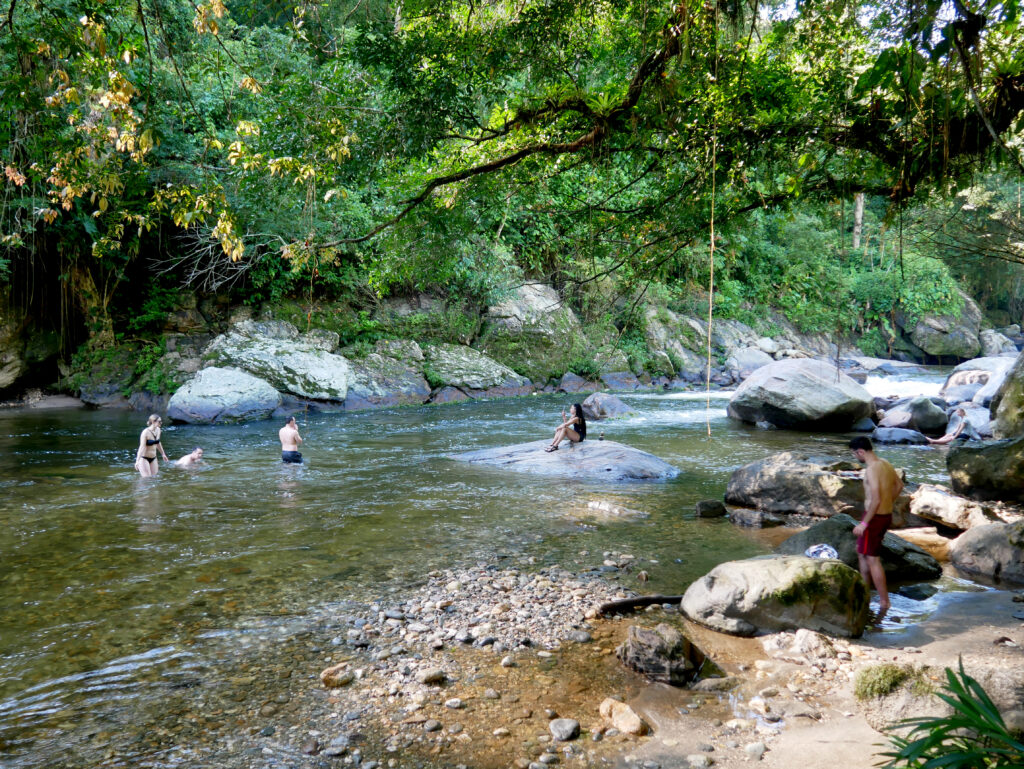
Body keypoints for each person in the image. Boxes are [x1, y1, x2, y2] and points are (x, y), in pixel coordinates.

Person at [849, 435, 904, 622]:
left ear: (860, 451)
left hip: (874, 518)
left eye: (855, 454)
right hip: (884, 516)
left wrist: (864, 523)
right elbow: (899, 485)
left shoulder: (872, 469)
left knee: (872, 559)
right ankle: (865, 592)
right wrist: (890, 502)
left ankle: (883, 601)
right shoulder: (885, 463)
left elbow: (875, 499)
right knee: (862, 553)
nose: (856, 458)